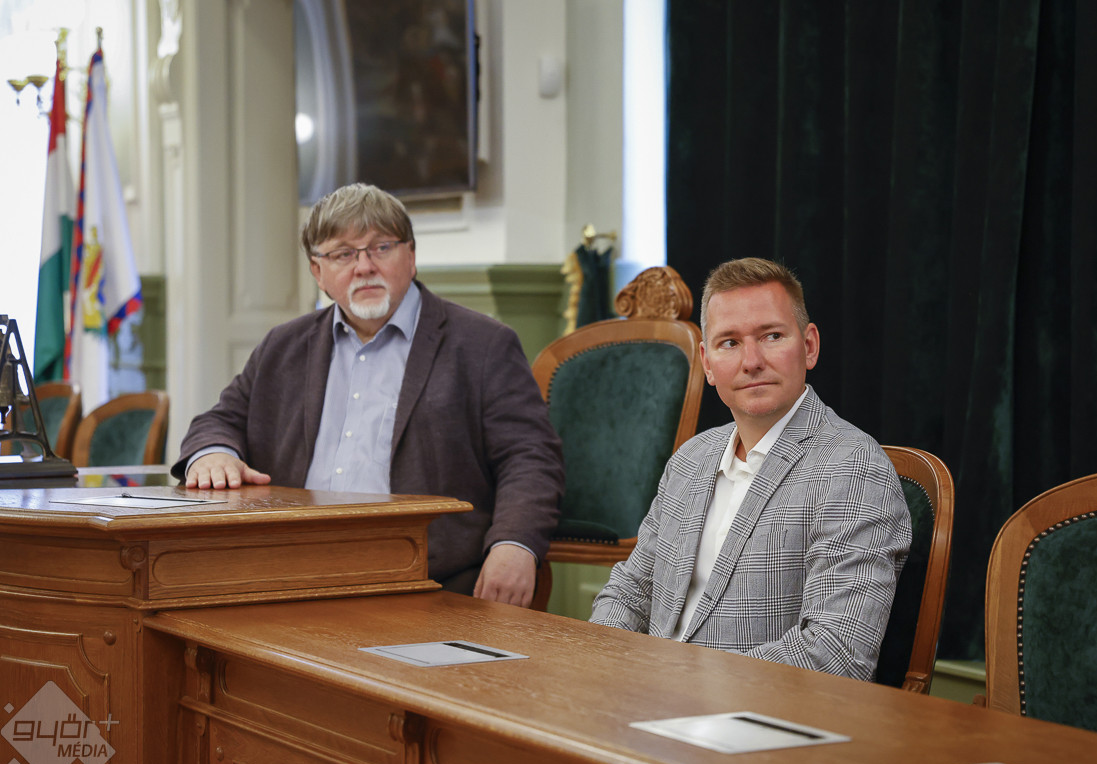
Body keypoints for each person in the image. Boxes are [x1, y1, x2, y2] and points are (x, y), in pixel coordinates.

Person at [171, 183, 564, 608]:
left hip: (431, 581)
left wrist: (514, 544)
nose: (364, 267)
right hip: (289, 574)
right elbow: (220, 420)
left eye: (381, 247)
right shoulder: (283, 347)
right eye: (343, 254)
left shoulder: (482, 344)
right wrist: (214, 453)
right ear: (318, 272)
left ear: (410, 256)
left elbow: (530, 457)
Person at [590, 257, 911, 680]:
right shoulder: (690, 459)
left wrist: (678, 684)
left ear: (809, 346)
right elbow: (630, 592)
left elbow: (836, 653)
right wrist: (602, 666)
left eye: (772, 336)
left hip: (757, 714)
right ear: (707, 363)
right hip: (644, 695)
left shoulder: (852, 470)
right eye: (729, 343)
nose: (751, 361)